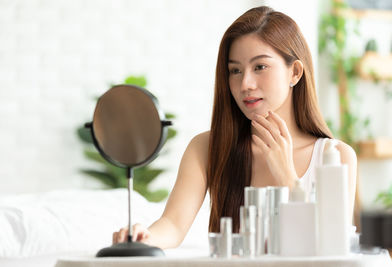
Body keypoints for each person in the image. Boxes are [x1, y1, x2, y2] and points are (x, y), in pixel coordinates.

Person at [112, 6, 357, 248]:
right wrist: (143, 238)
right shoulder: (206, 148)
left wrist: (288, 178)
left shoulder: (335, 157)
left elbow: (332, 248)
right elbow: (174, 225)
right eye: (235, 70)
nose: (245, 84)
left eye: (260, 67)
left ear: (294, 72)